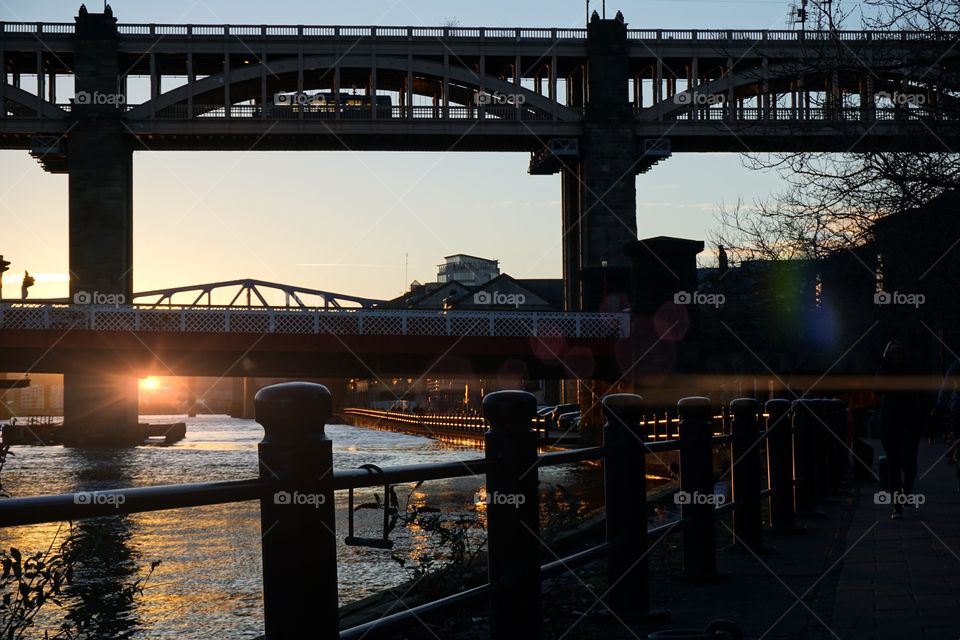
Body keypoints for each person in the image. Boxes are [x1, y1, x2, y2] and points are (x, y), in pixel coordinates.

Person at [878, 340, 922, 519]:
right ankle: (897, 506)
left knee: (910, 465)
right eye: (893, 352)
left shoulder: (911, 370)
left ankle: (906, 492)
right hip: (890, 421)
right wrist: (883, 365)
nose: (896, 356)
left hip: (910, 421)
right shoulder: (885, 371)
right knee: (894, 465)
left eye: (899, 352)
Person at [934, 357, 960, 464]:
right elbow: (946, 385)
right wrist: (941, 403)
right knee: (956, 414)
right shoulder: (957, 366)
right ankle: (954, 443)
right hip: (958, 402)